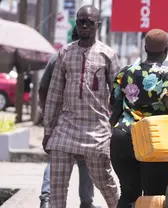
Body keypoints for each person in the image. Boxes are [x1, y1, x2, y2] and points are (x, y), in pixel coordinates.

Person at [42, 5, 120, 208]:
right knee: (57, 189)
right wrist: (48, 130)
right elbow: (54, 95)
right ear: (76, 23)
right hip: (65, 129)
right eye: (80, 22)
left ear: (98, 25)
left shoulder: (108, 55)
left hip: (96, 131)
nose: (84, 26)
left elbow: (118, 96)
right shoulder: (65, 53)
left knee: (106, 183)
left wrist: (112, 128)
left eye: (89, 23)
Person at [109, 29, 168, 207]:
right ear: (166, 50)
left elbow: (114, 106)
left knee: (128, 194)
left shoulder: (126, 72)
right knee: (154, 196)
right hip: (154, 141)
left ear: (145, 48)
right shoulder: (167, 75)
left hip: (123, 138)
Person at [38, 26, 95, 208]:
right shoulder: (91, 57)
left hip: (60, 118)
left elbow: (42, 88)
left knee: (56, 159)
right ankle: (86, 202)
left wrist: (47, 111)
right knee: (86, 160)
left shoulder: (57, 56)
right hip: (84, 119)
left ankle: (46, 199)